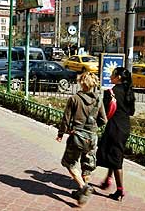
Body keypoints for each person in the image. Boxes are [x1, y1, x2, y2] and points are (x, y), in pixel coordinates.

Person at [56, 72, 107, 205]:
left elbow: (66, 119)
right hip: (92, 138)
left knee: (69, 163)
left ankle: (83, 187)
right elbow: (104, 120)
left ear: (81, 83)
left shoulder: (74, 99)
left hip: (77, 137)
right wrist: (93, 128)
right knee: (87, 166)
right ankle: (81, 193)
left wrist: (61, 133)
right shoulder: (98, 99)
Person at [96, 67, 136, 201]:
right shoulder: (129, 91)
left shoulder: (111, 92)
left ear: (118, 77)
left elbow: (103, 113)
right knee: (115, 154)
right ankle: (108, 179)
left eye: (113, 74)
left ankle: (120, 191)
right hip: (125, 127)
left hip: (114, 128)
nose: (110, 76)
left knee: (116, 159)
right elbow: (132, 112)